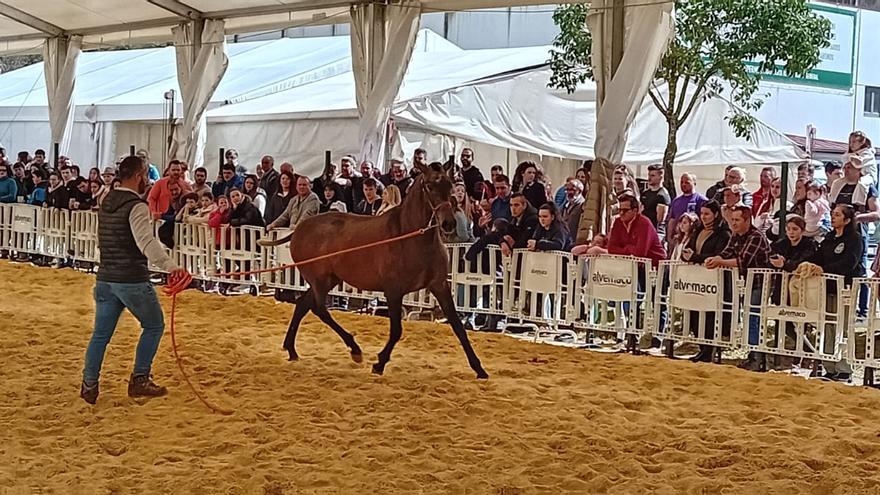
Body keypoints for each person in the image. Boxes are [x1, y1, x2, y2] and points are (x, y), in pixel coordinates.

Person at [80, 155, 191, 404]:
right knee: (154, 326)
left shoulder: (107, 200)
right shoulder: (136, 206)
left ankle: (89, 384)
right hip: (131, 279)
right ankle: (140, 378)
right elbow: (146, 243)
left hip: (106, 277)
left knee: (100, 335)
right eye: (146, 176)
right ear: (139, 176)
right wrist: (171, 266)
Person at [705, 205, 771, 371]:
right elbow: (727, 252)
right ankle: (752, 354)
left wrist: (719, 261)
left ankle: (757, 357)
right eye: (732, 220)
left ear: (747, 220)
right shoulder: (735, 235)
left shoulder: (756, 236)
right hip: (746, 283)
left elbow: (743, 260)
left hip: (759, 282)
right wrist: (715, 258)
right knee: (748, 316)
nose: (733, 223)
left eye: (737, 220)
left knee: (753, 317)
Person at [606, 192, 666, 266]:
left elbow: (640, 253)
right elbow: (611, 248)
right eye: (619, 210)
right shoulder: (618, 222)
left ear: (635, 211)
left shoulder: (644, 223)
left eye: (625, 210)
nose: (621, 213)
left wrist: (624, 249)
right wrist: (629, 249)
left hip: (653, 265)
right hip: (630, 265)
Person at [640, 164, 671, 236]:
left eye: (652, 176)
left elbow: (660, 219)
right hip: (644, 230)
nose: (649, 178)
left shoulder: (662, 195)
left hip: (656, 232)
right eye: (649, 175)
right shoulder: (645, 193)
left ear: (660, 177)